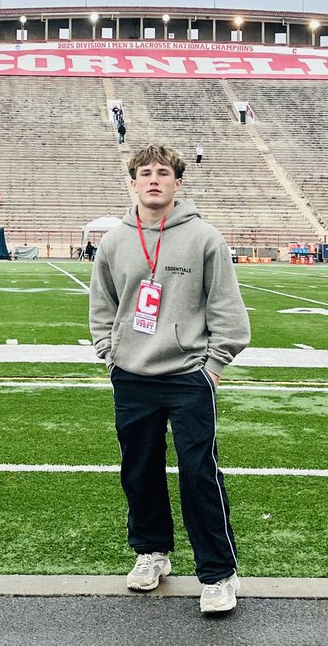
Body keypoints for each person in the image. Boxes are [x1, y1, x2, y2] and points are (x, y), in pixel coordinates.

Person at [89, 144, 249, 614]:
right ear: (133, 182)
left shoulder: (204, 238)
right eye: (144, 173)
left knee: (200, 474)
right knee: (138, 471)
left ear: (178, 181)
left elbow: (227, 310)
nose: (153, 180)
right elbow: (102, 306)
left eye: (163, 172)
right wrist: (110, 354)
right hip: (132, 375)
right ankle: (152, 553)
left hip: (187, 376)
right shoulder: (115, 240)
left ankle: (218, 573)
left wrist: (214, 365)